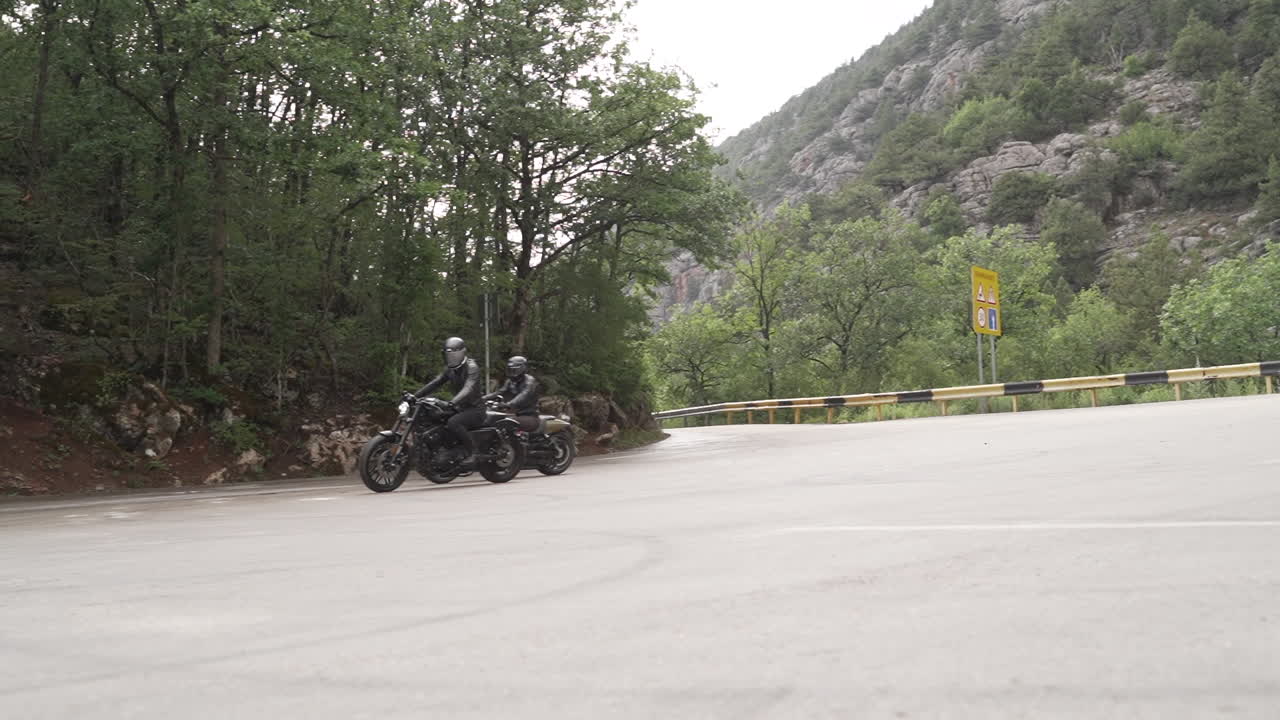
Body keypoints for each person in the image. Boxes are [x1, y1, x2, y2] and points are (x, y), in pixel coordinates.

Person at [414, 336, 485, 467]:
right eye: (447, 355)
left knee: (454, 422)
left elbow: (468, 388)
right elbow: (435, 383)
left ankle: (474, 452)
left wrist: (452, 402)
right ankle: (446, 450)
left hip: (475, 409)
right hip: (459, 407)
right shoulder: (450, 369)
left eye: (453, 354)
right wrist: (414, 396)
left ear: (461, 352)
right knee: (436, 417)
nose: (450, 358)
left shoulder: (471, 367)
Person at [484, 355, 541, 433]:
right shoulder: (510, 381)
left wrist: (509, 404)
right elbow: (500, 392)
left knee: (506, 423)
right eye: (510, 369)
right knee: (492, 420)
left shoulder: (530, 382)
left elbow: (523, 395)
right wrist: (481, 398)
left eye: (514, 370)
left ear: (522, 369)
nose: (511, 372)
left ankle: (510, 445)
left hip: (530, 416)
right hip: (516, 415)